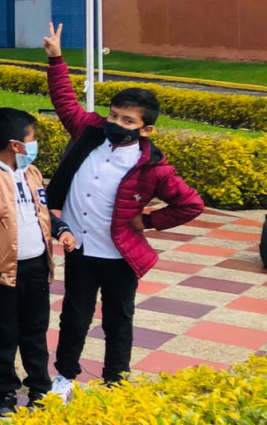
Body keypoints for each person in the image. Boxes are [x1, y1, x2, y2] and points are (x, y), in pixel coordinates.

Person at [41, 23, 204, 398]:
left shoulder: (154, 167)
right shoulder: (90, 131)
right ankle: (64, 377)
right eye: (114, 115)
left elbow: (191, 204)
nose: (116, 124)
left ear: (145, 129)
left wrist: (148, 220)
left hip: (120, 257)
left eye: (127, 121)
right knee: (73, 319)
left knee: (119, 321)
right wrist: (55, 58)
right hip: (79, 249)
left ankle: (116, 384)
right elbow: (65, 100)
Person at [0, 107, 75, 419]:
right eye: (31, 140)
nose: (35, 147)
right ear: (15, 145)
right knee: (3, 335)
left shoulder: (30, 173)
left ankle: (39, 389)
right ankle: (5, 393)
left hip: (35, 266)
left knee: (35, 331)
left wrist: (62, 231)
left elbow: (43, 212)